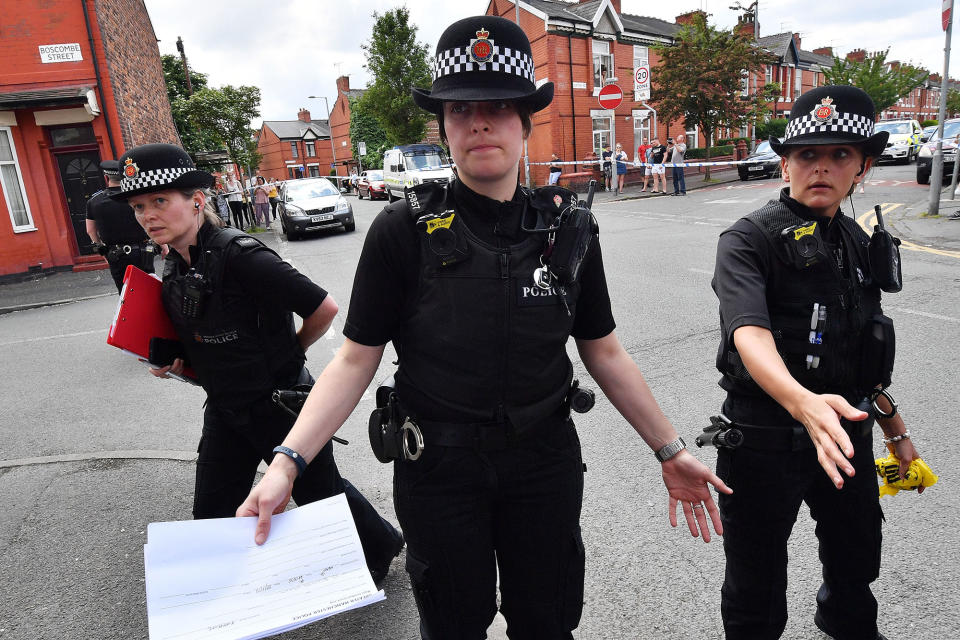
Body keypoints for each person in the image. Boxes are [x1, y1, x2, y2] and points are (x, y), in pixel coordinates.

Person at [237, 16, 729, 639]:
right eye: (461, 108)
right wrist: (287, 463)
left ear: (525, 122)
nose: (479, 122)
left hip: (542, 464)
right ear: (444, 127)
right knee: (453, 624)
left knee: (546, 620)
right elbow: (354, 360)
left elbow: (603, 351)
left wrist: (671, 450)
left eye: (498, 107)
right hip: (439, 470)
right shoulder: (403, 230)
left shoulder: (568, 229)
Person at [113, 143, 404, 584]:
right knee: (210, 507)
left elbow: (323, 308)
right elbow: (204, 340)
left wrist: (290, 354)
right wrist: (177, 362)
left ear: (197, 200)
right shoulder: (172, 266)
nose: (148, 214)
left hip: (281, 406)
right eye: (138, 206)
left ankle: (381, 546)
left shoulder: (241, 255)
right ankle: (219, 599)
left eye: (160, 200)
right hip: (226, 409)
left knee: (320, 494)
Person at [711, 85, 923, 640]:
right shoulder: (747, 240)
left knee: (855, 566)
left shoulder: (856, 240)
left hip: (846, 432)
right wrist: (803, 403)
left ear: (863, 167)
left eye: (840, 155)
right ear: (785, 162)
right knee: (755, 591)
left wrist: (895, 428)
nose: (821, 167)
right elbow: (749, 335)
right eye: (808, 154)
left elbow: (864, 348)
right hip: (762, 438)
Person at [85, 159, 156, 292]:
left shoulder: (94, 201)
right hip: (143, 251)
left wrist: (103, 251)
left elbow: (90, 230)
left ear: (106, 178)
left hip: (115, 254)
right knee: (148, 290)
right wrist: (163, 246)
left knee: (125, 293)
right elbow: (151, 221)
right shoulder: (136, 197)